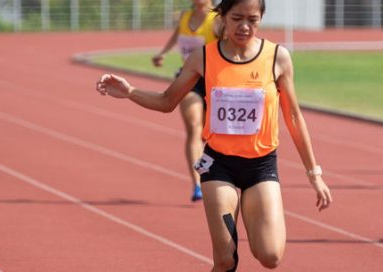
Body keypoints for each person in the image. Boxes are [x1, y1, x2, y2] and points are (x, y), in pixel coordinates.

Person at [96, 0, 332, 270]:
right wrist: (130, 92)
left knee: (270, 256)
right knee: (225, 260)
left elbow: (292, 116)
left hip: (261, 165)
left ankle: (255, 219)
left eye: (252, 20)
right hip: (219, 165)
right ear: (223, 17)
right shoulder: (203, 57)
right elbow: (167, 101)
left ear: (261, 19)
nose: (244, 26)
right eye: (237, 18)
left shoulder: (278, 57)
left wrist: (315, 174)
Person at [151, 0, 218, 202]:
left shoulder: (218, 19)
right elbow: (176, 35)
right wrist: (162, 52)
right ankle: (197, 183)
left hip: (215, 83)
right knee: (193, 127)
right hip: (189, 79)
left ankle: (216, 173)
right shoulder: (184, 17)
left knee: (211, 134)